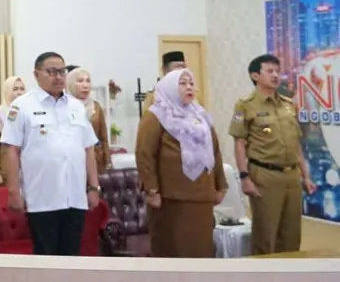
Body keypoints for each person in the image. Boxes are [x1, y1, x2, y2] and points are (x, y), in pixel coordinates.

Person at [1, 52, 100, 256]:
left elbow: (88, 148)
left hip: (75, 197)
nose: (58, 77)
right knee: (46, 258)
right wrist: (13, 191)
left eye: (62, 72)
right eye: (51, 72)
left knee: (71, 256)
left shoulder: (76, 106)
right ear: (36, 74)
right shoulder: (22, 106)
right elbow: (11, 150)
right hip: (42, 198)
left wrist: (93, 187)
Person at [228, 54, 317, 255]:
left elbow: (295, 143)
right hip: (265, 175)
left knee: (291, 234)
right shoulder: (245, 105)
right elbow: (239, 143)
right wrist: (244, 177)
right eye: (270, 71)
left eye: (277, 71)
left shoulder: (288, 104)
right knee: (266, 235)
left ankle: (289, 270)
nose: (276, 75)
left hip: (291, 176)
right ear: (255, 76)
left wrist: (306, 175)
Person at [135, 68, 227, 258]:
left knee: (200, 250)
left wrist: (221, 185)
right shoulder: (156, 115)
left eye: (191, 83)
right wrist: (151, 190)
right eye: (182, 83)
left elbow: (214, 151)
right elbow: (144, 153)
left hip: (202, 195)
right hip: (171, 198)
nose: (189, 87)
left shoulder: (200, 115)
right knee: (175, 250)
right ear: (169, 87)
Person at [66, 68, 112, 173]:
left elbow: (103, 136)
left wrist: (107, 159)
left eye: (88, 81)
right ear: (70, 84)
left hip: (95, 159)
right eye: (80, 81)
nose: (85, 85)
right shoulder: (63, 106)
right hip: (72, 161)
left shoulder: (96, 107)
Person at [0, 76, 26, 185]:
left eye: (22, 89)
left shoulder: (30, 112)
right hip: (7, 168)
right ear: (7, 91)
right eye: (15, 89)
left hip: (29, 168)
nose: (19, 92)